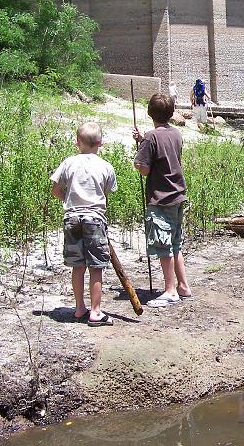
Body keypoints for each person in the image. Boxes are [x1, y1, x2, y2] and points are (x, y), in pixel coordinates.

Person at [50, 122, 118, 326]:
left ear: (77, 142)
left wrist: (70, 200)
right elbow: (106, 194)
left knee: (77, 266)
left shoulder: (68, 163)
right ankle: (96, 312)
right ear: (101, 143)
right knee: (96, 266)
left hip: (71, 218)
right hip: (94, 218)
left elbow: (55, 190)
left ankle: (79, 308)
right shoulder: (105, 166)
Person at [133, 94, 193, 308]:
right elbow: (164, 151)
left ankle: (170, 290)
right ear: (171, 113)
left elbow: (145, 169)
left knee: (163, 244)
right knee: (176, 243)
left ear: (150, 112)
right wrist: (142, 142)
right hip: (177, 195)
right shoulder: (176, 133)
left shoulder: (150, 137)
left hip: (160, 198)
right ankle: (183, 286)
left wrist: (138, 158)